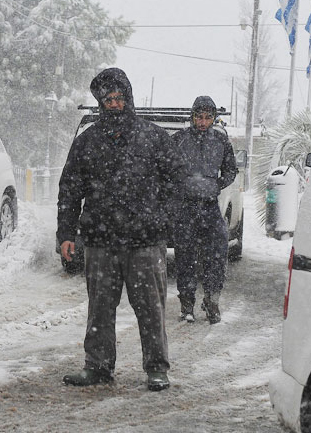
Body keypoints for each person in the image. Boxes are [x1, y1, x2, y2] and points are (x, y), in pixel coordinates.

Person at [56, 67, 186, 392]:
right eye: (107, 99)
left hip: (145, 242)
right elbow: (69, 189)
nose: (113, 104)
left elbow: (177, 182)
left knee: (151, 309)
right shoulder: (87, 142)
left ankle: (157, 368)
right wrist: (66, 234)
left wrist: (162, 219)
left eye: (118, 98)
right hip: (100, 243)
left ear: (128, 98)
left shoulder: (153, 138)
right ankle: (98, 366)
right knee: (99, 310)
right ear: (100, 102)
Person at [170, 96, 238, 325]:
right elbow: (165, 168)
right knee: (185, 257)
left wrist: (215, 185)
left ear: (213, 119)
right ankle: (187, 304)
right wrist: (179, 186)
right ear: (192, 117)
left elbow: (231, 170)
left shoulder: (220, 141)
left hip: (209, 207)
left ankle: (211, 300)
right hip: (185, 208)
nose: (202, 121)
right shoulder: (179, 140)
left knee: (216, 255)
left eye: (208, 117)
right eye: (199, 117)